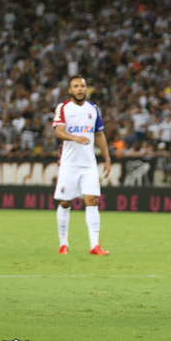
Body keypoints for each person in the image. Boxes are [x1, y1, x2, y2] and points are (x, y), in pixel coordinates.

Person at [52, 75, 111, 256]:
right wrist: (75, 137)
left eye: (82, 86)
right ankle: (63, 243)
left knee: (92, 200)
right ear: (70, 90)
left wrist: (107, 158)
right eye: (76, 86)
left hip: (88, 164)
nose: (79, 89)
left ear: (86, 89)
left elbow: (99, 135)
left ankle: (94, 245)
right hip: (69, 163)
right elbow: (58, 132)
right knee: (65, 201)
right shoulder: (63, 108)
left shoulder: (93, 109)